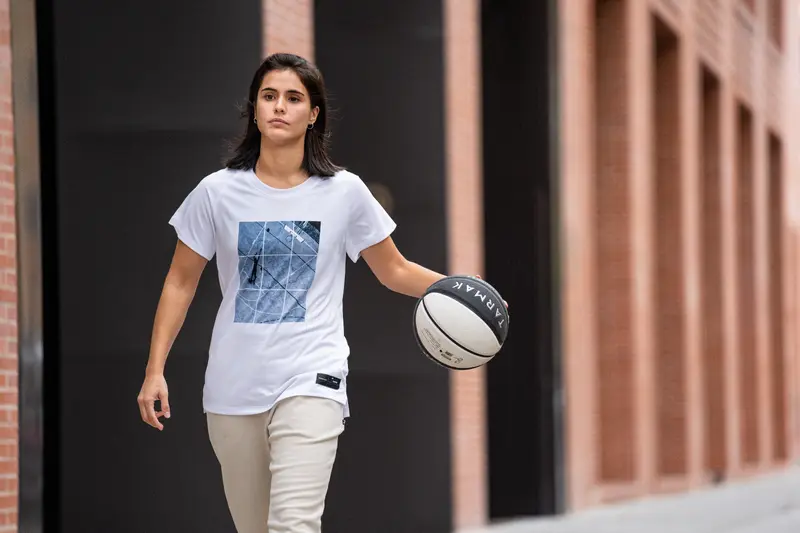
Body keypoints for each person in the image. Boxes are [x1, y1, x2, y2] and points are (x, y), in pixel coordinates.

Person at [136, 53, 487, 533]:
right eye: (269, 96)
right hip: (232, 385)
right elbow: (180, 281)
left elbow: (395, 270)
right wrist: (155, 370)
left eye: (294, 98)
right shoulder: (217, 193)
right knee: (254, 527)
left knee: (293, 525)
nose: (280, 107)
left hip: (312, 375)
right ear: (255, 110)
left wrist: (467, 293)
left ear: (313, 114)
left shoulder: (343, 192)